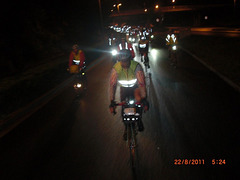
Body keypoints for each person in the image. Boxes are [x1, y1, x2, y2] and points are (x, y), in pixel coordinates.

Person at [109, 49, 149, 139]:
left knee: (139, 101)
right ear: (119, 60)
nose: (124, 63)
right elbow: (112, 85)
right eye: (122, 61)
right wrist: (112, 100)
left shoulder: (136, 66)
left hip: (135, 88)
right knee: (124, 107)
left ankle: (139, 119)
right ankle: (126, 127)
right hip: (124, 89)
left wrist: (144, 99)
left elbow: (141, 84)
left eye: (126, 61)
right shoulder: (116, 68)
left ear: (130, 59)